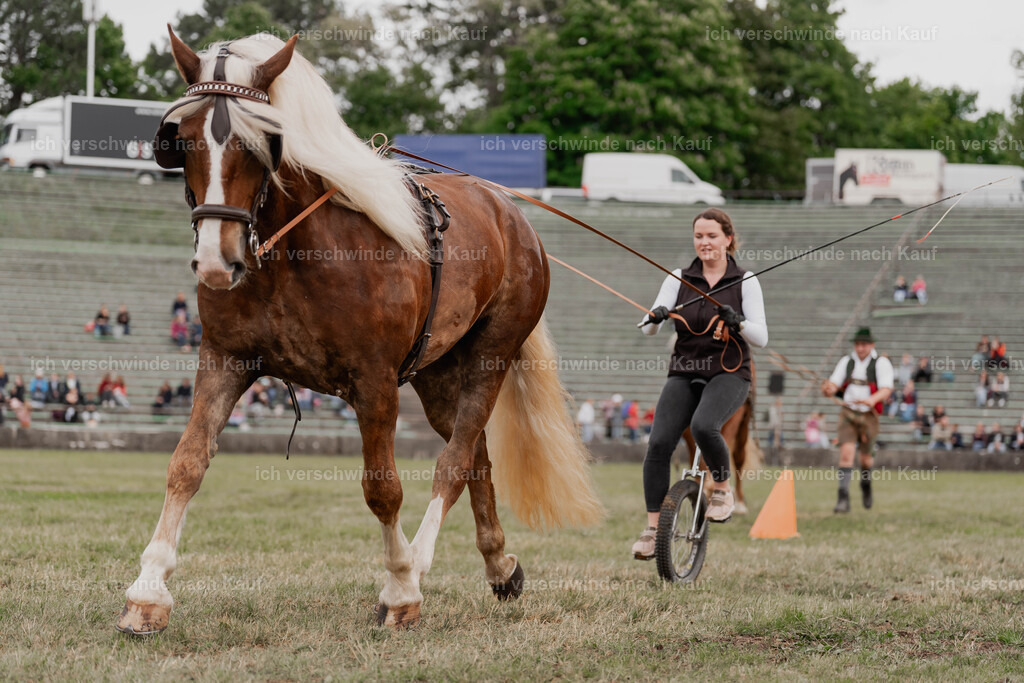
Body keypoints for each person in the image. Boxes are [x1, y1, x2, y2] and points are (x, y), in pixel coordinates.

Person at [631, 208, 768, 558]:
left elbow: (762, 338)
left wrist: (737, 322)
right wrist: (656, 316)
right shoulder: (679, 278)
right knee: (659, 443)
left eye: (711, 236)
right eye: (698, 236)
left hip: (729, 372)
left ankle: (722, 489)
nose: (704, 242)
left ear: (728, 239)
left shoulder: (745, 281)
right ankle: (651, 529)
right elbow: (647, 328)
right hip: (684, 370)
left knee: (705, 425)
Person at [821, 328, 893, 514]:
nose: (860, 348)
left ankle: (866, 483)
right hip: (848, 412)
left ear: (871, 345)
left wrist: (871, 400)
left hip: (869, 415)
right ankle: (843, 498)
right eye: (858, 344)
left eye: (864, 344)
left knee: (866, 459)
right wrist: (829, 389)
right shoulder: (847, 362)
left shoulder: (881, 363)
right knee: (846, 454)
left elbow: (886, 389)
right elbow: (834, 383)